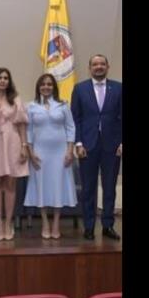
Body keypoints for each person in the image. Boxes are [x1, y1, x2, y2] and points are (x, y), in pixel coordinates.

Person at [71, 54, 122, 241]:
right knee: (88, 189)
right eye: (95, 64)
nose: (98, 67)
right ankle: (89, 226)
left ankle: (108, 225)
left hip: (112, 146)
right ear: (89, 68)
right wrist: (78, 143)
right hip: (87, 146)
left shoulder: (119, 88)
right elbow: (75, 119)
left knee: (109, 188)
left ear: (107, 67)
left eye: (102, 64)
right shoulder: (80, 89)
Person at [23, 73, 77, 239]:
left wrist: (70, 150)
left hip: (60, 152)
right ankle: (45, 222)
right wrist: (31, 153)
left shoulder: (63, 105)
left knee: (58, 186)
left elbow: (71, 127)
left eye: (49, 84)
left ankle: (56, 223)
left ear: (54, 87)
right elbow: (28, 131)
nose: (46, 87)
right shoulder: (31, 106)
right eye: (43, 84)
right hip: (39, 153)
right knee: (41, 186)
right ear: (38, 87)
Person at [0, 68, 29, 241]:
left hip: (12, 144)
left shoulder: (15, 99)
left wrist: (24, 146)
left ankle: (8, 223)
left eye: (6, 78)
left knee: (10, 185)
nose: (3, 81)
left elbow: (22, 124)